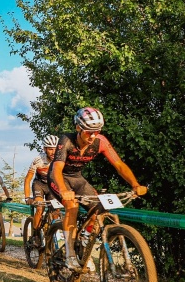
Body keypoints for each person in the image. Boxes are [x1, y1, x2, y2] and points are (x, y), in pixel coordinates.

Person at [48, 107, 148, 271]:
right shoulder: (66, 140)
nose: (93, 136)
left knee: (98, 207)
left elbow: (119, 165)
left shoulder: (100, 141)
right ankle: (70, 254)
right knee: (72, 206)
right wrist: (64, 191)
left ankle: (85, 243)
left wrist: (135, 185)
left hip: (77, 179)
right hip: (58, 178)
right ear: (79, 128)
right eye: (89, 132)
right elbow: (57, 169)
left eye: (97, 131)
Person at [23, 134, 59, 243]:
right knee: (40, 207)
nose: (53, 152)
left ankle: (53, 238)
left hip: (52, 186)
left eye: (56, 149)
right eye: (50, 149)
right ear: (44, 149)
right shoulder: (38, 159)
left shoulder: (61, 158)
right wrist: (27, 197)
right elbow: (28, 179)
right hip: (39, 184)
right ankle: (36, 234)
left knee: (56, 211)